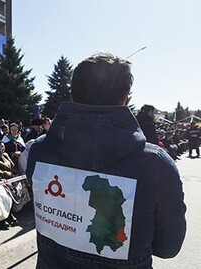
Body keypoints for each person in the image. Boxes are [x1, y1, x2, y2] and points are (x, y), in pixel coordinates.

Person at [26, 53, 186, 269]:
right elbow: (168, 247)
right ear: (124, 97)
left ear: (73, 94)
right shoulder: (156, 165)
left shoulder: (39, 151)